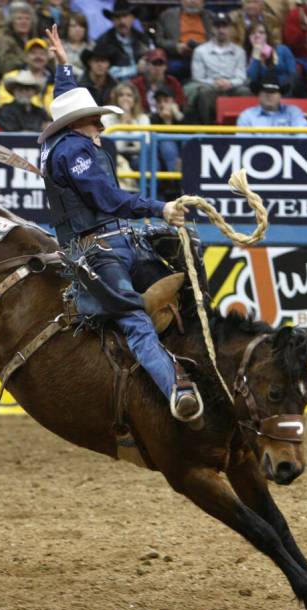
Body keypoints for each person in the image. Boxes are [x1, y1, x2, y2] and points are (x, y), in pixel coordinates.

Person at [40, 24, 203, 425]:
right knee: (135, 318)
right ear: (79, 123)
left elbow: (66, 100)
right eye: (95, 119)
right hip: (99, 251)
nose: (101, 125)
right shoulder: (77, 153)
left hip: (107, 244)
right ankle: (175, 388)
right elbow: (105, 198)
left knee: (172, 290)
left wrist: (64, 67)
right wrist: (157, 207)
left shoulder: (65, 145)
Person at [189, 13, 250, 125]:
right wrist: (214, 83)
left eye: (225, 26)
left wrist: (229, 83)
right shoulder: (200, 51)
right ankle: (207, 130)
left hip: (232, 88)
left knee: (245, 91)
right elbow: (197, 77)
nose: (221, 30)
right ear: (212, 29)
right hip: (210, 87)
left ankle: (242, 128)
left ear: (231, 29)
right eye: (218, 27)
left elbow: (241, 77)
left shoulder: (240, 52)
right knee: (204, 93)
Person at [101, 82, 150, 188]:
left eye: (129, 95)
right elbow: (117, 147)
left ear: (135, 99)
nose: (125, 99)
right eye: (121, 95)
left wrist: (131, 123)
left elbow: (144, 145)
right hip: (116, 157)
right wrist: (123, 123)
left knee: (145, 163)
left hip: (138, 156)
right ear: (116, 99)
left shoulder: (143, 118)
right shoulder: (107, 118)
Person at [155, 0, 213, 80]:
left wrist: (204, 47)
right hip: (178, 57)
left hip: (206, 57)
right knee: (174, 67)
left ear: (203, 2)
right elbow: (159, 40)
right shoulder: (167, 15)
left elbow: (217, 39)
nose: (192, 1)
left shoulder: (211, 17)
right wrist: (176, 47)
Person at [95, 0, 150, 81]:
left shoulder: (143, 39)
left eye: (125, 16)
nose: (122, 21)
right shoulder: (104, 41)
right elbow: (104, 71)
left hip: (142, 84)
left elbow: (153, 60)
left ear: (133, 18)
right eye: (117, 17)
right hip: (116, 86)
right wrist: (135, 69)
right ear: (112, 20)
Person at [0, 38, 54, 110]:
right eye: (33, 53)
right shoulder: (11, 77)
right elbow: (4, 104)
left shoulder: (55, 82)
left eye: (42, 53)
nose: (38, 56)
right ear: (25, 57)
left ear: (47, 57)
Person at [245, 22, 297, 95]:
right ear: (249, 37)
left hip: (284, 87)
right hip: (261, 91)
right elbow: (252, 78)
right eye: (253, 33)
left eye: (261, 32)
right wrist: (256, 52)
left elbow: (293, 73)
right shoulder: (246, 55)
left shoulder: (282, 49)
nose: (257, 35)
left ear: (267, 35)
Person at [237, 73, 307, 127]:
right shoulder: (247, 115)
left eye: (273, 92)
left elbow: (302, 138)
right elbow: (242, 142)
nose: (269, 95)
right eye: (265, 92)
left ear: (280, 95)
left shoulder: (293, 113)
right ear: (259, 95)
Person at [130, 48, 186, 114]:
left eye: (161, 64)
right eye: (154, 63)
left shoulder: (172, 81)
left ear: (166, 66)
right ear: (147, 65)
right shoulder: (136, 83)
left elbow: (181, 102)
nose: (157, 67)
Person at [0, 1, 37, 75]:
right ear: (11, 22)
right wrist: (30, 59)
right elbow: (5, 67)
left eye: (27, 19)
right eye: (19, 18)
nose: (23, 22)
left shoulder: (35, 41)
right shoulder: (4, 41)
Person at [78, 41, 118, 106]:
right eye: (96, 60)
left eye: (103, 61)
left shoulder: (115, 86)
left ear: (109, 64)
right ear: (89, 62)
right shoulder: (78, 86)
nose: (100, 65)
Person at [60, 12, 91, 78]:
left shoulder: (91, 47)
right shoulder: (59, 46)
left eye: (81, 26)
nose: (78, 30)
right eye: (73, 26)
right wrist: (82, 74)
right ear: (67, 28)